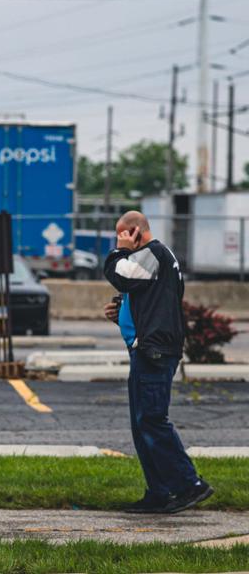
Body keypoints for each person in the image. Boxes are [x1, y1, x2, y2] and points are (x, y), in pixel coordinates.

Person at [103, 210, 212, 514]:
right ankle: (159, 493)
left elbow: (119, 275)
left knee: (151, 420)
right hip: (148, 350)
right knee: (143, 424)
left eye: (122, 234)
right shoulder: (153, 258)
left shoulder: (153, 253)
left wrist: (119, 251)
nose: (119, 240)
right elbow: (138, 293)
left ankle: (189, 484)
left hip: (154, 353)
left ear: (136, 232)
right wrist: (123, 315)